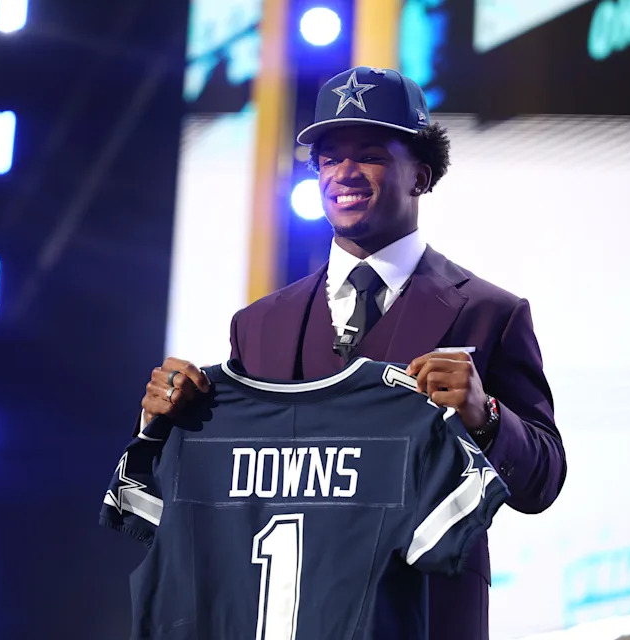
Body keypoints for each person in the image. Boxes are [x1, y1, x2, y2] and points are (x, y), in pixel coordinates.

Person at [138, 67, 567, 640]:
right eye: (328, 157)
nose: (343, 173)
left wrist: (486, 417)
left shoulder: (491, 312)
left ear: (421, 173)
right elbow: (223, 487)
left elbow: (543, 480)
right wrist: (163, 422)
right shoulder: (260, 324)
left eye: (369, 155)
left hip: (424, 617)